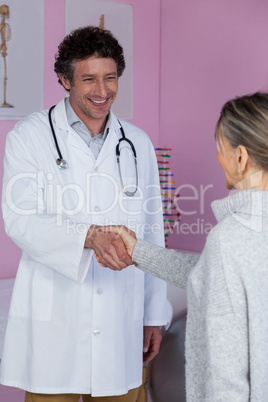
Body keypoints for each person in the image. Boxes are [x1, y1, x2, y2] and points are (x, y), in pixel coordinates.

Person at [0, 26, 169, 402]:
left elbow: (152, 232)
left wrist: (155, 312)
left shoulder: (137, 143)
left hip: (120, 320)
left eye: (110, 78)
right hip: (54, 323)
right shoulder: (29, 137)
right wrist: (88, 237)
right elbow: (20, 218)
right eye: (88, 78)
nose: (102, 91)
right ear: (64, 79)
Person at [97, 92, 268, 401]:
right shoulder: (243, 237)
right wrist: (138, 251)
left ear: (240, 157)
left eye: (220, 147)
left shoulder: (231, 237)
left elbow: (227, 370)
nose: (218, 157)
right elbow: (213, 275)